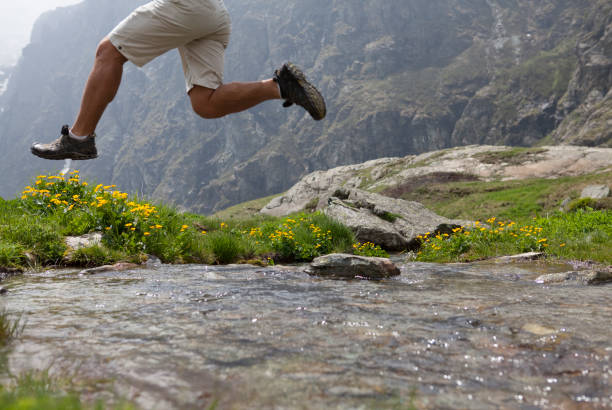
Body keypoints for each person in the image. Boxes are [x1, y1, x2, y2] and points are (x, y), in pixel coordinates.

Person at [31, 0, 326, 160]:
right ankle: (279, 86)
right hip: (214, 14)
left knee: (108, 51)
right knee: (206, 103)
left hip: (185, 6)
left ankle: (79, 139)